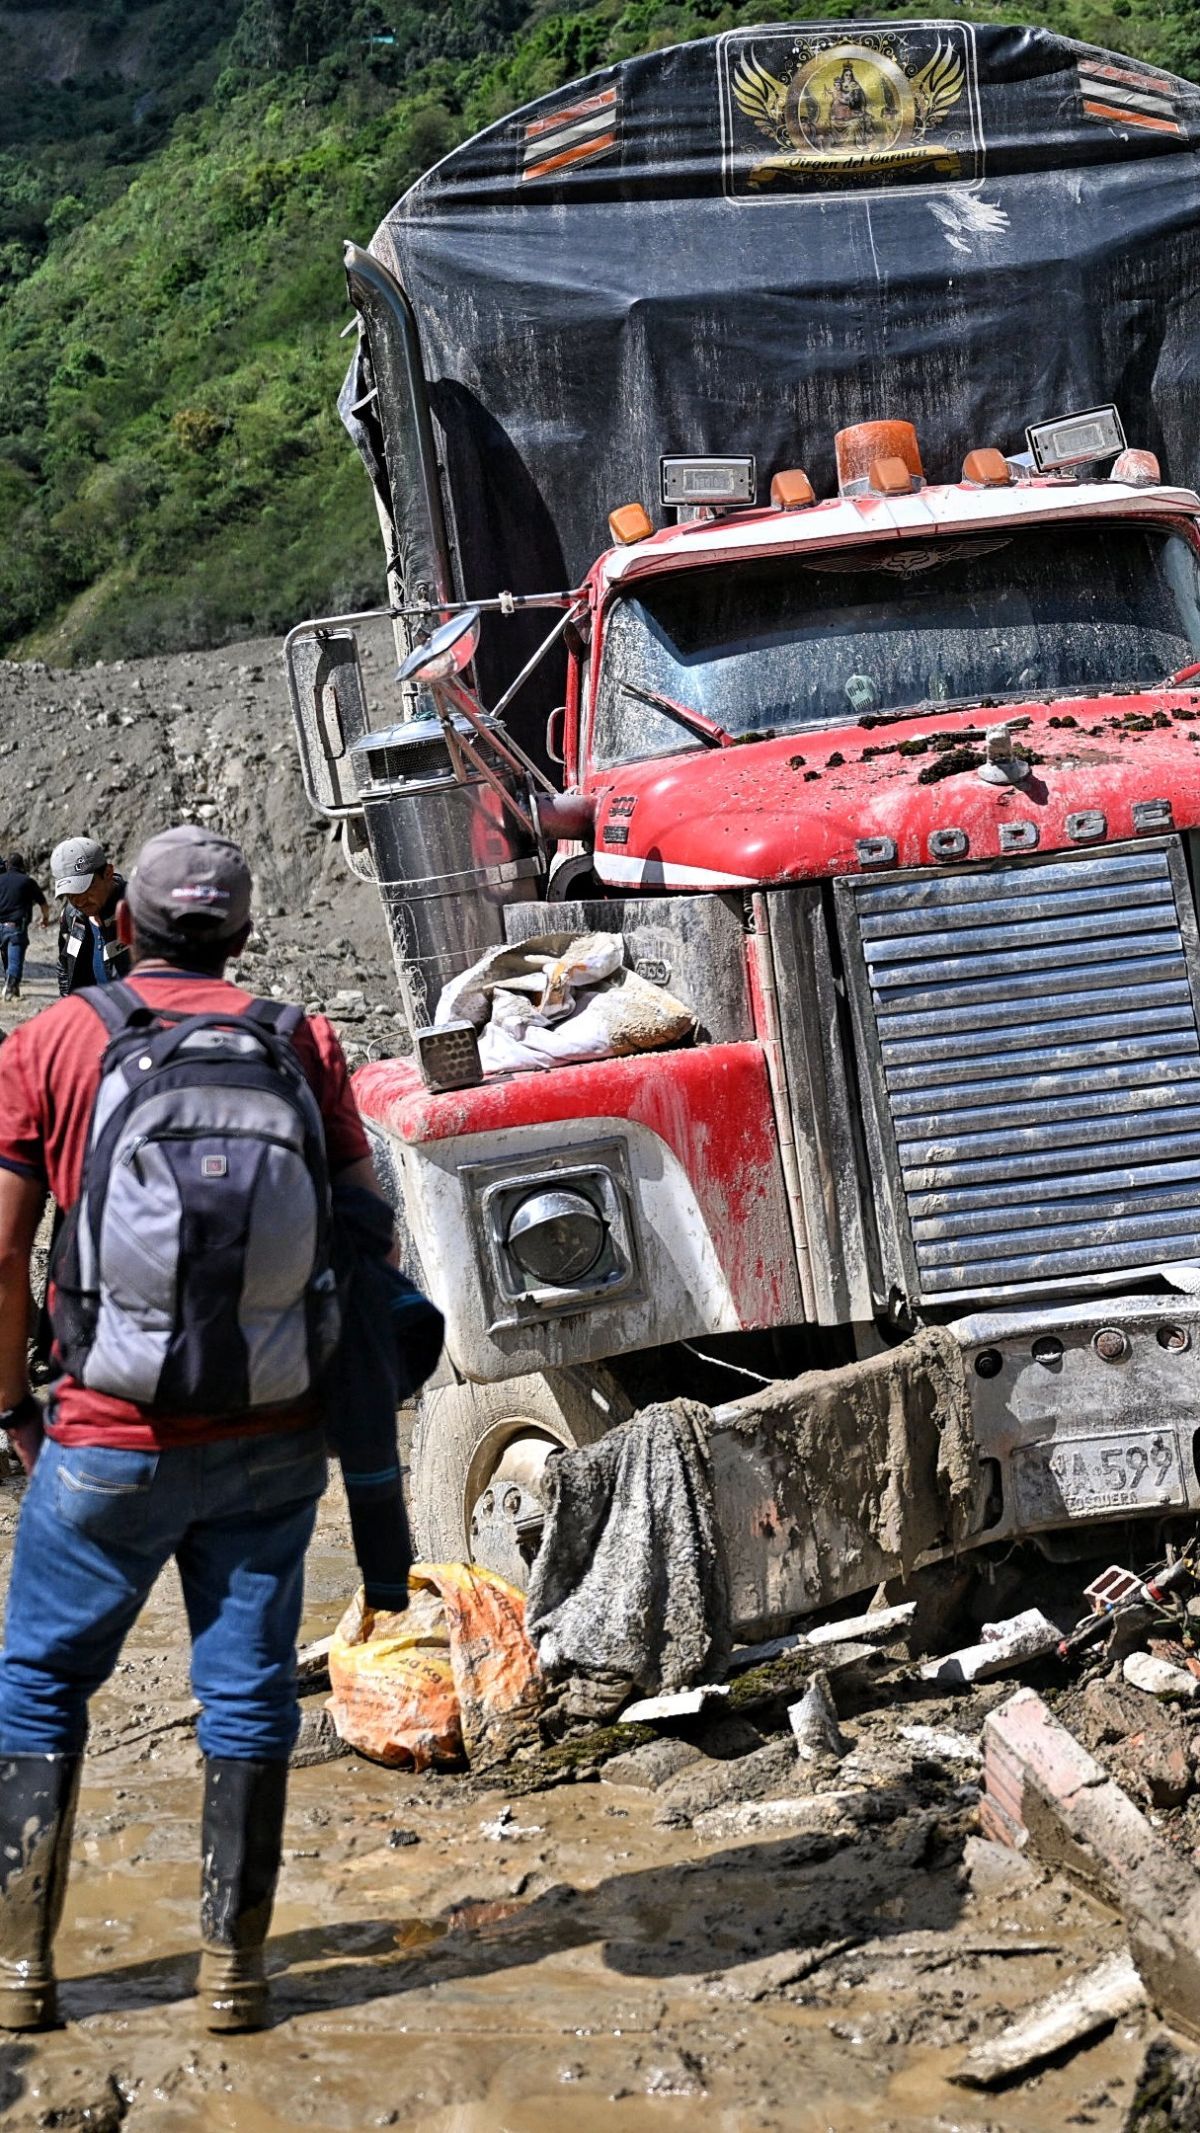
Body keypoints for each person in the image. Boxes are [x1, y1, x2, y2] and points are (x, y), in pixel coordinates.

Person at [0, 825, 392, 2036]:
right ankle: (236, 1974)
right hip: (275, 1435)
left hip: (106, 1433)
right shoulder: (299, 1037)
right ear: (245, 931)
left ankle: (22, 1977)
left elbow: (1, 1250)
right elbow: (365, 1232)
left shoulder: (57, 1038)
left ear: (123, 924)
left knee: (37, 1687)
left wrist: (12, 1405)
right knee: (246, 1697)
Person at [50, 835, 130, 995]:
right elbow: (65, 965)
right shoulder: (71, 915)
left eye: (84, 889)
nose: (78, 901)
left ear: (108, 873)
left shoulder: (139, 909)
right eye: (70, 894)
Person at [0, 855, 49, 1002]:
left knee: (6, 956)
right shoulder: (27, 881)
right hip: (15, 927)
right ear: (23, 866)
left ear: (8, 865)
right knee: (15, 959)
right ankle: (10, 989)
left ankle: (11, 987)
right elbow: (43, 903)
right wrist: (45, 918)